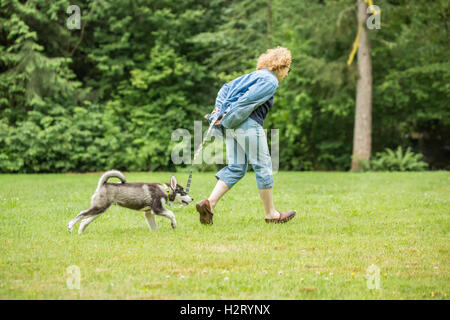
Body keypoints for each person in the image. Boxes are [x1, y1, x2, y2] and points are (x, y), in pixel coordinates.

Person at [196, 46, 296, 225]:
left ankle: (209, 204)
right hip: (245, 124)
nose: (287, 74)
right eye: (289, 69)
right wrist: (227, 116)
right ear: (282, 65)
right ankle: (271, 214)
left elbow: (225, 89)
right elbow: (247, 101)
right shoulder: (270, 80)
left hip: (230, 125)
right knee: (263, 165)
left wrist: (219, 112)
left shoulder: (251, 76)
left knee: (236, 167)